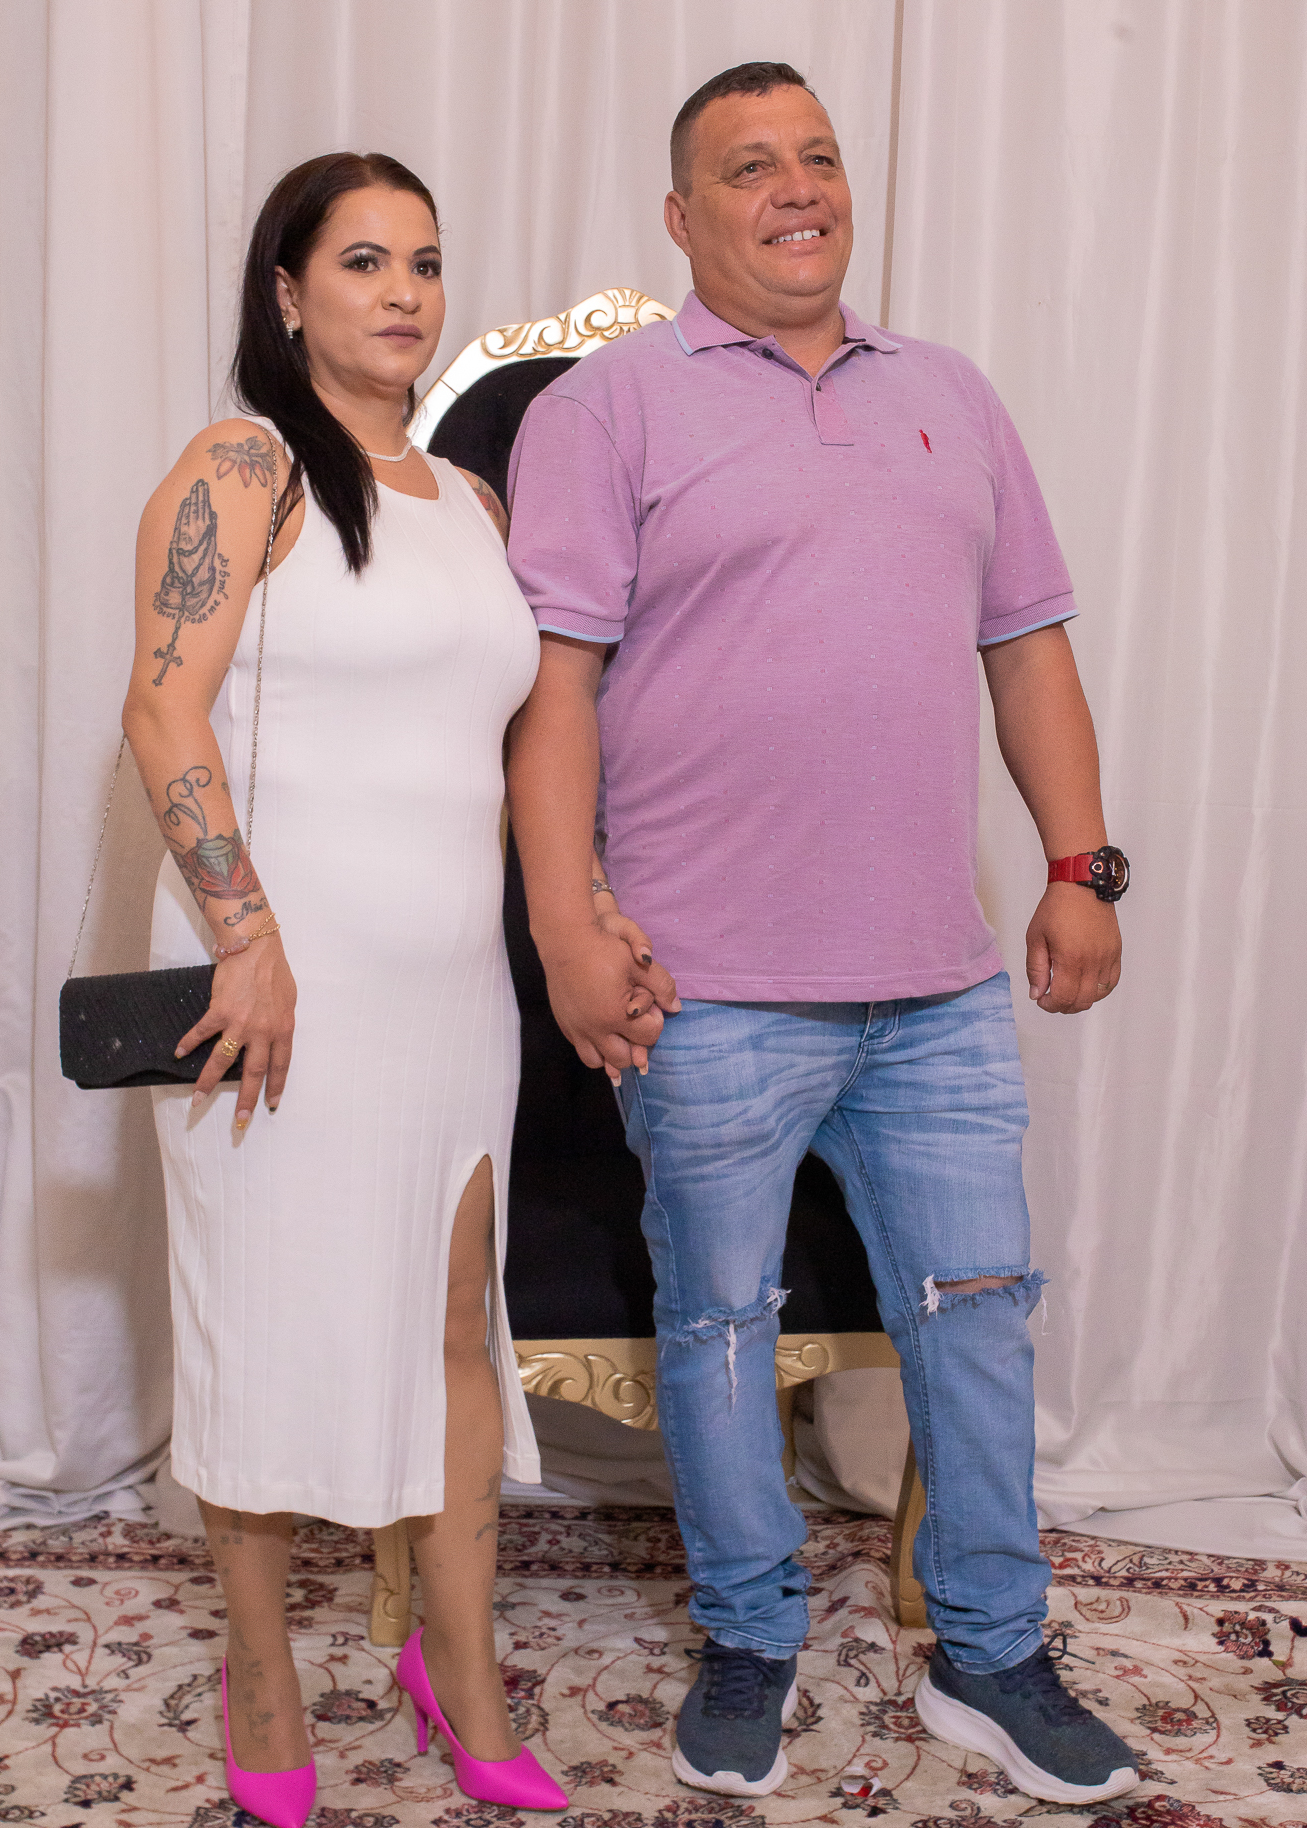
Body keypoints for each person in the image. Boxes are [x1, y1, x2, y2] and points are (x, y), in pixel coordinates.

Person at [505, 62, 1136, 1810]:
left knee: (979, 1317)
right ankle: (748, 1636)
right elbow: (553, 690)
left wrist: (1081, 869)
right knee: (717, 1321)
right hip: (701, 986)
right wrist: (566, 925)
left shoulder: (949, 392)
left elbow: (1029, 646)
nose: (796, 188)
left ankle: (992, 1654)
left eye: (818, 157)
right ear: (679, 215)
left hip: (935, 983)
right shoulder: (607, 409)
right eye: (747, 167)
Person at [122, 153, 576, 1825]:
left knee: (455, 1332)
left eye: (425, 263)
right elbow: (161, 710)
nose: (402, 293)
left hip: (451, 997)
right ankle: (260, 1679)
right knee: (262, 1336)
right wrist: (245, 936)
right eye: (364, 260)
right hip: (275, 991)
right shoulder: (243, 467)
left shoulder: (474, 507)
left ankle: (459, 1672)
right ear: (288, 291)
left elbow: (509, 755)